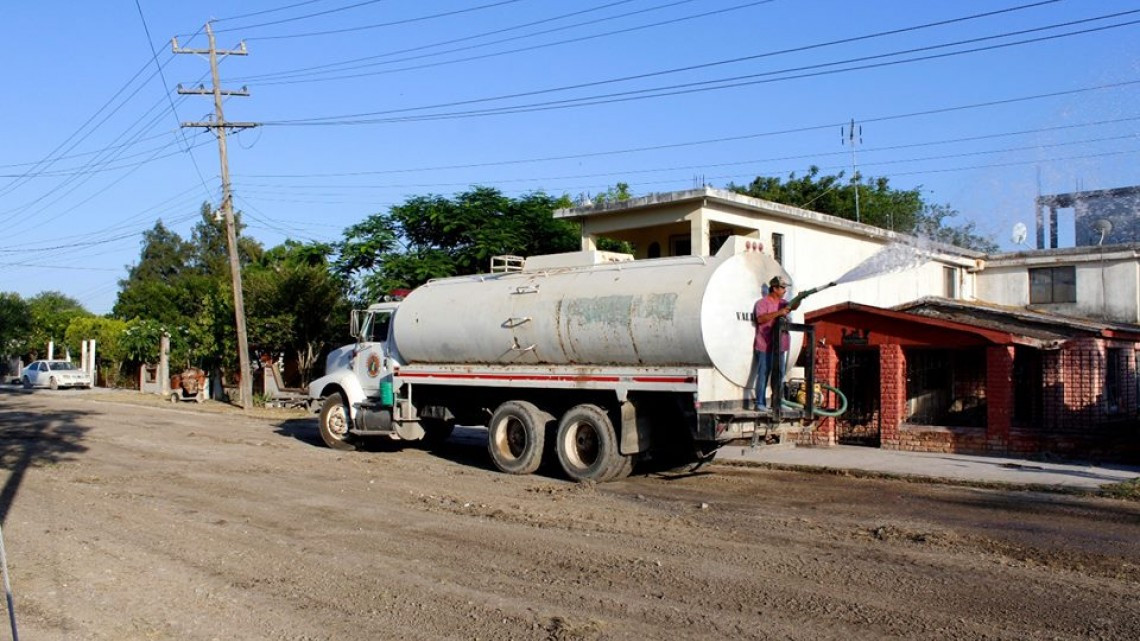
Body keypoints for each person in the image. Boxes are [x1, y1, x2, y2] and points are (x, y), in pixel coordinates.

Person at [752, 276, 800, 412]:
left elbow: (793, 306)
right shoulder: (762, 303)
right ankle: (760, 403)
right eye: (782, 288)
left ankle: (777, 402)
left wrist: (800, 298)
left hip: (781, 345)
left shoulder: (784, 303)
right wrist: (779, 313)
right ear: (774, 288)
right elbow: (760, 319)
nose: (784, 291)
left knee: (779, 374)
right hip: (765, 345)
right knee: (764, 373)